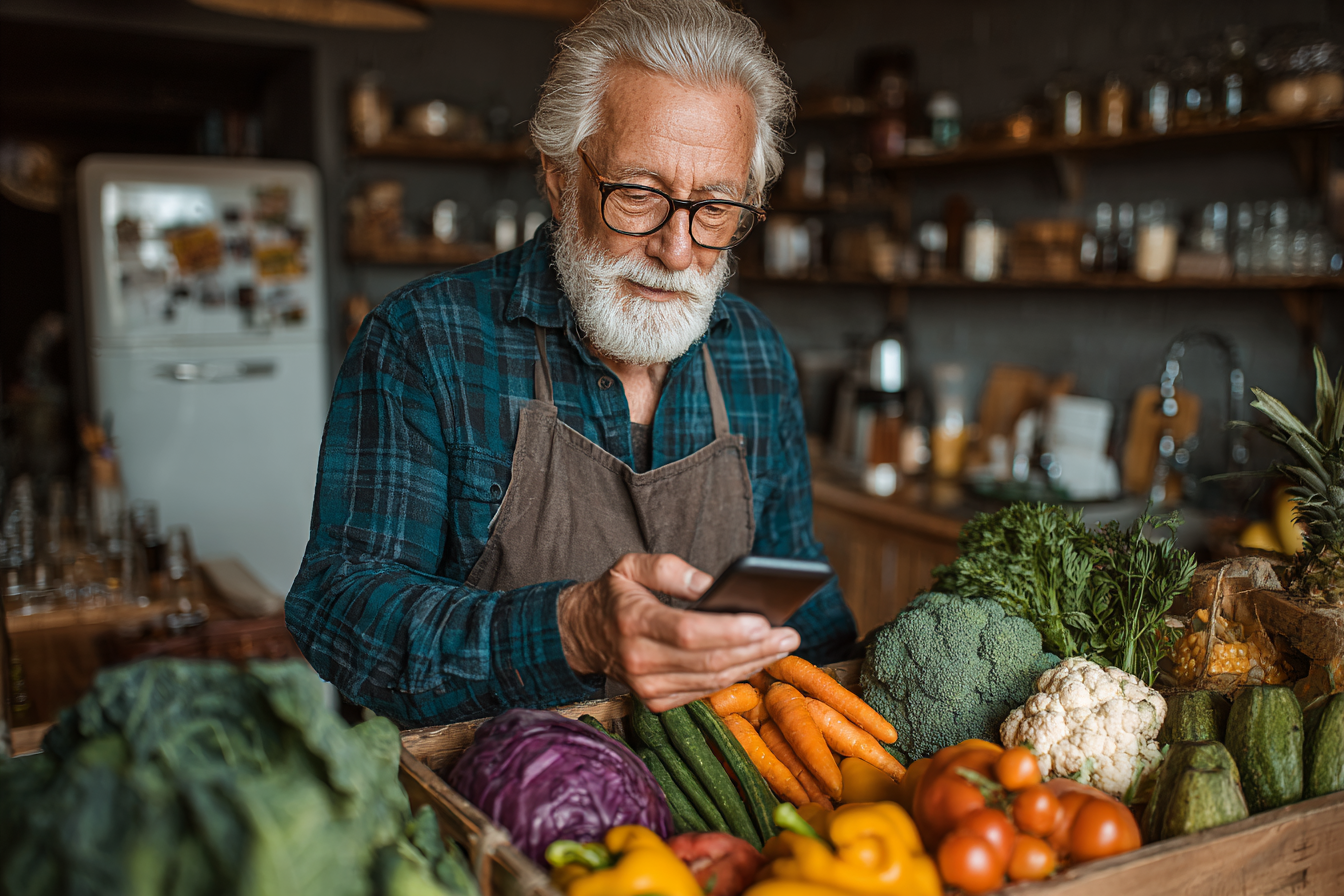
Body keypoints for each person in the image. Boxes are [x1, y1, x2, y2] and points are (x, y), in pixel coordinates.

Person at [286, 0, 856, 727]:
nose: (677, 251)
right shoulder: (425, 341)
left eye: (714, 208)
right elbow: (340, 612)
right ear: (560, 179)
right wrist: (574, 629)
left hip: (715, 808)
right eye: (639, 195)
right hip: (489, 812)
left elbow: (791, 583)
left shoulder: (753, 354)